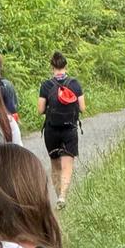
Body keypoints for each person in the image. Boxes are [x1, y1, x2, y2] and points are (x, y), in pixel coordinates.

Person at [38, 52, 85, 210]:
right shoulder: (75, 84)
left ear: (52, 67)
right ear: (66, 66)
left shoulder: (46, 85)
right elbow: (83, 108)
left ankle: (58, 194)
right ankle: (63, 196)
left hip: (51, 130)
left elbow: (40, 110)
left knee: (55, 164)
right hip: (69, 129)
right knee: (67, 166)